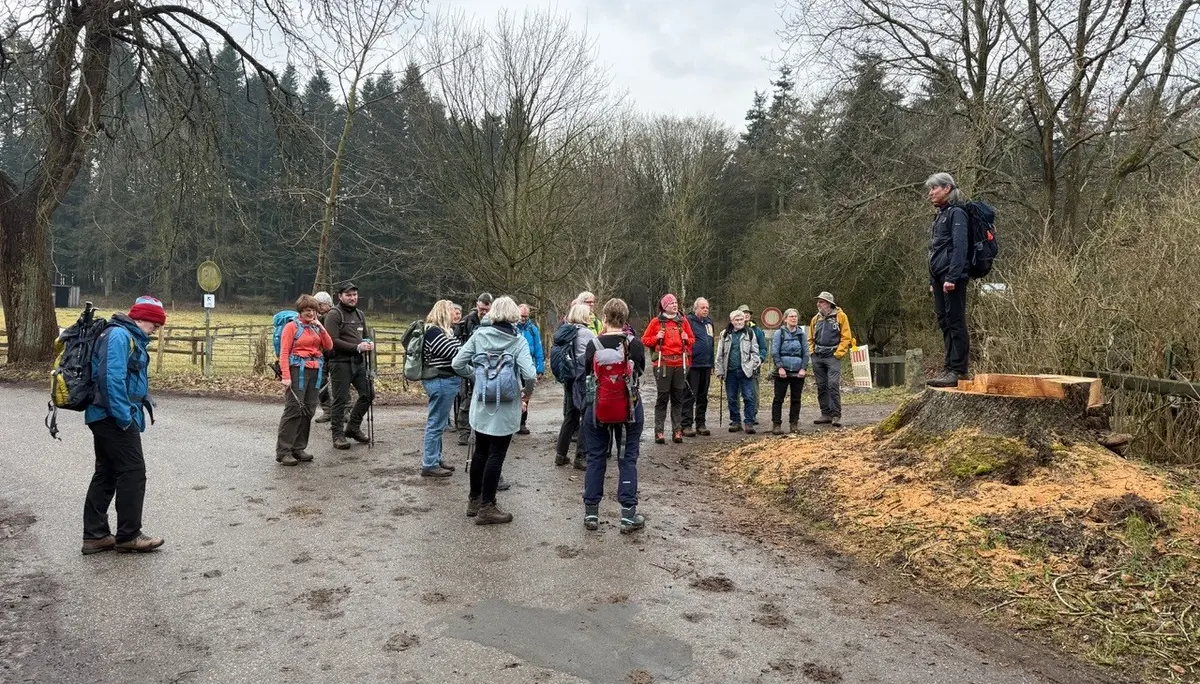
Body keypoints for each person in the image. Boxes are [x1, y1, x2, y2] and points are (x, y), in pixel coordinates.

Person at [81, 296, 167, 555]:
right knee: (132, 472)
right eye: (155, 324)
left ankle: (95, 536)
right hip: (112, 416)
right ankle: (129, 535)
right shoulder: (120, 337)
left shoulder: (123, 336)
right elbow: (111, 379)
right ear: (141, 318)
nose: (156, 329)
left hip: (103, 415)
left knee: (106, 473)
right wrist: (124, 417)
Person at [452, 296, 538, 525]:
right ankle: (487, 506)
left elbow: (457, 364)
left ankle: (474, 499)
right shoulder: (518, 341)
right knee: (496, 455)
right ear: (513, 316)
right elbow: (529, 375)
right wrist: (526, 395)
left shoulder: (479, 335)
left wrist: (478, 377)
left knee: (480, 451)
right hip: (507, 405)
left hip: (482, 404)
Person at [580, 298, 646, 533]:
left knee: (596, 457)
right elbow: (639, 371)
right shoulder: (634, 344)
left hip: (598, 408)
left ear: (604, 319)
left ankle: (591, 514)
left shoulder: (593, 344)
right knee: (627, 458)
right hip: (629, 408)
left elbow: (587, 373)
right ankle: (628, 515)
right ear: (626, 319)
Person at [275, 295, 334, 466]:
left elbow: (329, 346)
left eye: (314, 310)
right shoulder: (291, 327)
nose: (311, 313)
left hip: (315, 371)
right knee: (294, 409)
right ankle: (283, 451)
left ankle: (299, 448)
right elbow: (284, 353)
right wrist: (286, 376)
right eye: (307, 310)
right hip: (296, 371)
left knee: (308, 410)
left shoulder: (316, 327)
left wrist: (321, 327)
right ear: (300, 311)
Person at [925, 172, 971, 387]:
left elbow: (960, 247)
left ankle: (959, 370)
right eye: (930, 189)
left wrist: (952, 276)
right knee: (944, 322)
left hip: (952, 278)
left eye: (934, 188)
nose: (930, 193)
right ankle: (948, 368)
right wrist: (932, 280)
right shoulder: (940, 215)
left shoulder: (957, 213)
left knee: (955, 321)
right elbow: (936, 249)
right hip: (939, 278)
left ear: (947, 189)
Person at [323, 282, 375, 450]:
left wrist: (368, 343)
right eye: (348, 295)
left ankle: (352, 427)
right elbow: (332, 341)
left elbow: (364, 336)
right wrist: (356, 347)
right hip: (339, 363)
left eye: (354, 295)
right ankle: (337, 435)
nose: (352, 298)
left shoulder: (360, 314)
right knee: (340, 399)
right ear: (340, 296)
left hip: (358, 363)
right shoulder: (334, 314)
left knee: (368, 394)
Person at [641, 294, 694, 444]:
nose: (675, 305)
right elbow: (645, 340)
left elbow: (692, 340)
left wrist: (686, 339)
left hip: (680, 364)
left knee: (678, 398)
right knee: (662, 398)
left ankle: (677, 431)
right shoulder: (656, 322)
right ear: (664, 306)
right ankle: (659, 432)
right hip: (663, 365)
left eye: (676, 303)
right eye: (671, 303)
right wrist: (656, 337)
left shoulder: (683, 321)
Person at [418, 300, 462, 478]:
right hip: (441, 381)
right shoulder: (435, 332)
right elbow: (456, 353)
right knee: (436, 423)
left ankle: (436, 458)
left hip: (444, 381)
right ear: (445, 312)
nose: (455, 314)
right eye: (452, 311)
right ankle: (429, 463)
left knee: (439, 423)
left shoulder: (442, 332)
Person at [554, 303, 595, 469]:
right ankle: (581, 456)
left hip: (569, 377)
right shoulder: (586, 333)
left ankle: (560, 454)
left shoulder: (565, 331)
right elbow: (594, 354)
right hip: (582, 378)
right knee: (586, 414)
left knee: (571, 415)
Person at [808, 292, 853, 428]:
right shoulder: (815, 319)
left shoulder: (841, 316)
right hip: (818, 357)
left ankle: (836, 415)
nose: (818, 304)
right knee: (821, 386)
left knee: (833, 384)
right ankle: (825, 413)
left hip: (833, 356)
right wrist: (812, 352)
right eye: (819, 301)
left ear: (828, 303)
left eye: (821, 302)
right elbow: (810, 338)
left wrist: (838, 354)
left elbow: (846, 337)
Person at [455, 293, 493, 445]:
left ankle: (485, 430)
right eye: (480, 308)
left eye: (485, 309)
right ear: (477, 305)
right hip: (470, 365)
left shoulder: (494, 321)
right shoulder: (466, 321)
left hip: (489, 366)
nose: (482, 311)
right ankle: (464, 431)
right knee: (467, 398)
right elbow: (457, 341)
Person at [716, 309, 762, 434]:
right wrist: (719, 371)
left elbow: (755, 352)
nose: (739, 322)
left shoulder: (750, 333)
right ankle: (736, 421)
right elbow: (720, 355)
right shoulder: (724, 334)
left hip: (745, 371)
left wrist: (752, 366)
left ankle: (749, 422)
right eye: (737, 320)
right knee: (732, 398)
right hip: (730, 371)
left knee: (749, 397)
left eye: (741, 319)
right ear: (731, 321)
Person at [770, 308, 810, 434]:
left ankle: (794, 424)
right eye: (791, 316)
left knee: (796, 399)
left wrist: (803, 368)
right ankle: (776, 424)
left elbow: (806, 353)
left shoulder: (801, 335)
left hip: (798, 372)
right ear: (785, 319)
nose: (794, 318)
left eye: (795, 316)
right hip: (782, 372)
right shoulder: (779, 334)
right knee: (778, 398)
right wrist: (780, 367)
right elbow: (775, 352)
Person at [682, 297, 714, 437]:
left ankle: (701, 423)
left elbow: (711, 344)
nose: (705, 310)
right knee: (690, 395)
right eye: (702, 307)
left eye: (707, 307)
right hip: (693, 364)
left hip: (706, 364)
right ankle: (686, 425)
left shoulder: (709, 322)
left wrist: (712, 363)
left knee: (703, 396)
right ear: (696, 309)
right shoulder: (688, 321)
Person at [516, 303, 545, 435]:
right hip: (515, 366)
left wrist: (540, 368)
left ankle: (522, 422)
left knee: (526, 395)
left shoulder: (532, 330)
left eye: (525, 316)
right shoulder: (513, 328)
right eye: (521, 316)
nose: (523, 319)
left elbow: (538, 349)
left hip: (529, 365)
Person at [311, 291, 337, 424]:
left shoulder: (335, 316)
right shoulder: (316, 318)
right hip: (322, 355)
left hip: (335, 354)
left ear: (328, 304)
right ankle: (328, 410)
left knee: (339, 383)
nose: (318, 307)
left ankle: (345, 411)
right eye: (317, 305)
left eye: (320, 304)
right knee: (320, 381)